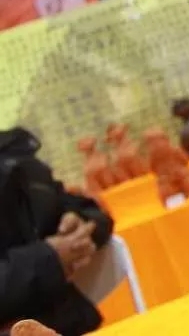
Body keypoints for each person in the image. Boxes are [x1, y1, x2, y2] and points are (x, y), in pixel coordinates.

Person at [0, 127, 114, 336]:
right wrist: (49, 258)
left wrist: (79, 227)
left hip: (66, 320)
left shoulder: (16, 157)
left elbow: (90, 211)